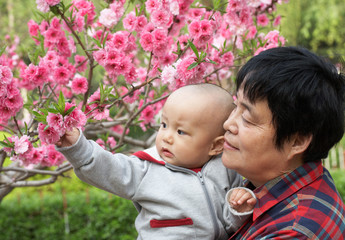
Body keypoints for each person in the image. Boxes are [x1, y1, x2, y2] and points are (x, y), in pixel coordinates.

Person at [55, 83, 257, 240]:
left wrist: (237, 209)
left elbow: (229, 225)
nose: (167, 137)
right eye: (164, 124)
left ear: (216, 146)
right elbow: (108, 168)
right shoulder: (146, 168)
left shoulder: (225, 168)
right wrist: (78, 148)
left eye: (180, 131)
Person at [221, 46, 345, 239]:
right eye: (234, 106)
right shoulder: (273, 181)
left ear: (297, 142)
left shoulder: (294, 231)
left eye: (247, 118)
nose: (228, 124)